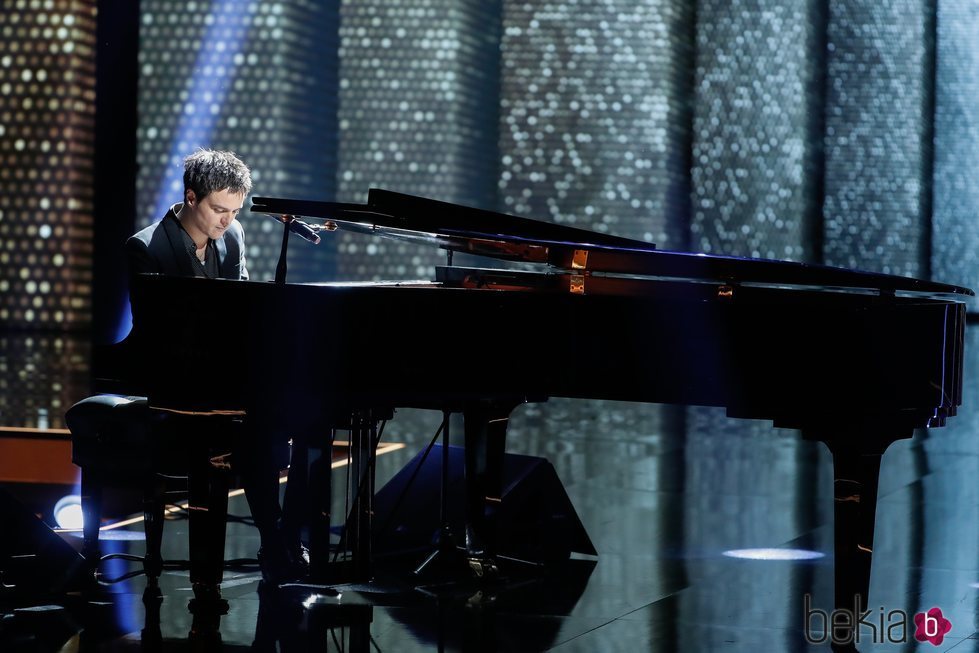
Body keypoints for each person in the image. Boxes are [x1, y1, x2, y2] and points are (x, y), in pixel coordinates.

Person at [127, 149, 307, 587]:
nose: (227, 220)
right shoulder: (145, 248)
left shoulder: (233, 236)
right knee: (255, 425)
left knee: (306, 417)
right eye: (218, 210)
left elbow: (239, 308)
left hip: (224, 376)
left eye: (234, 211)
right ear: (191, 197)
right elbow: (153, 336)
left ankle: (281, 534)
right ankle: (275, 540)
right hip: (175, 380)